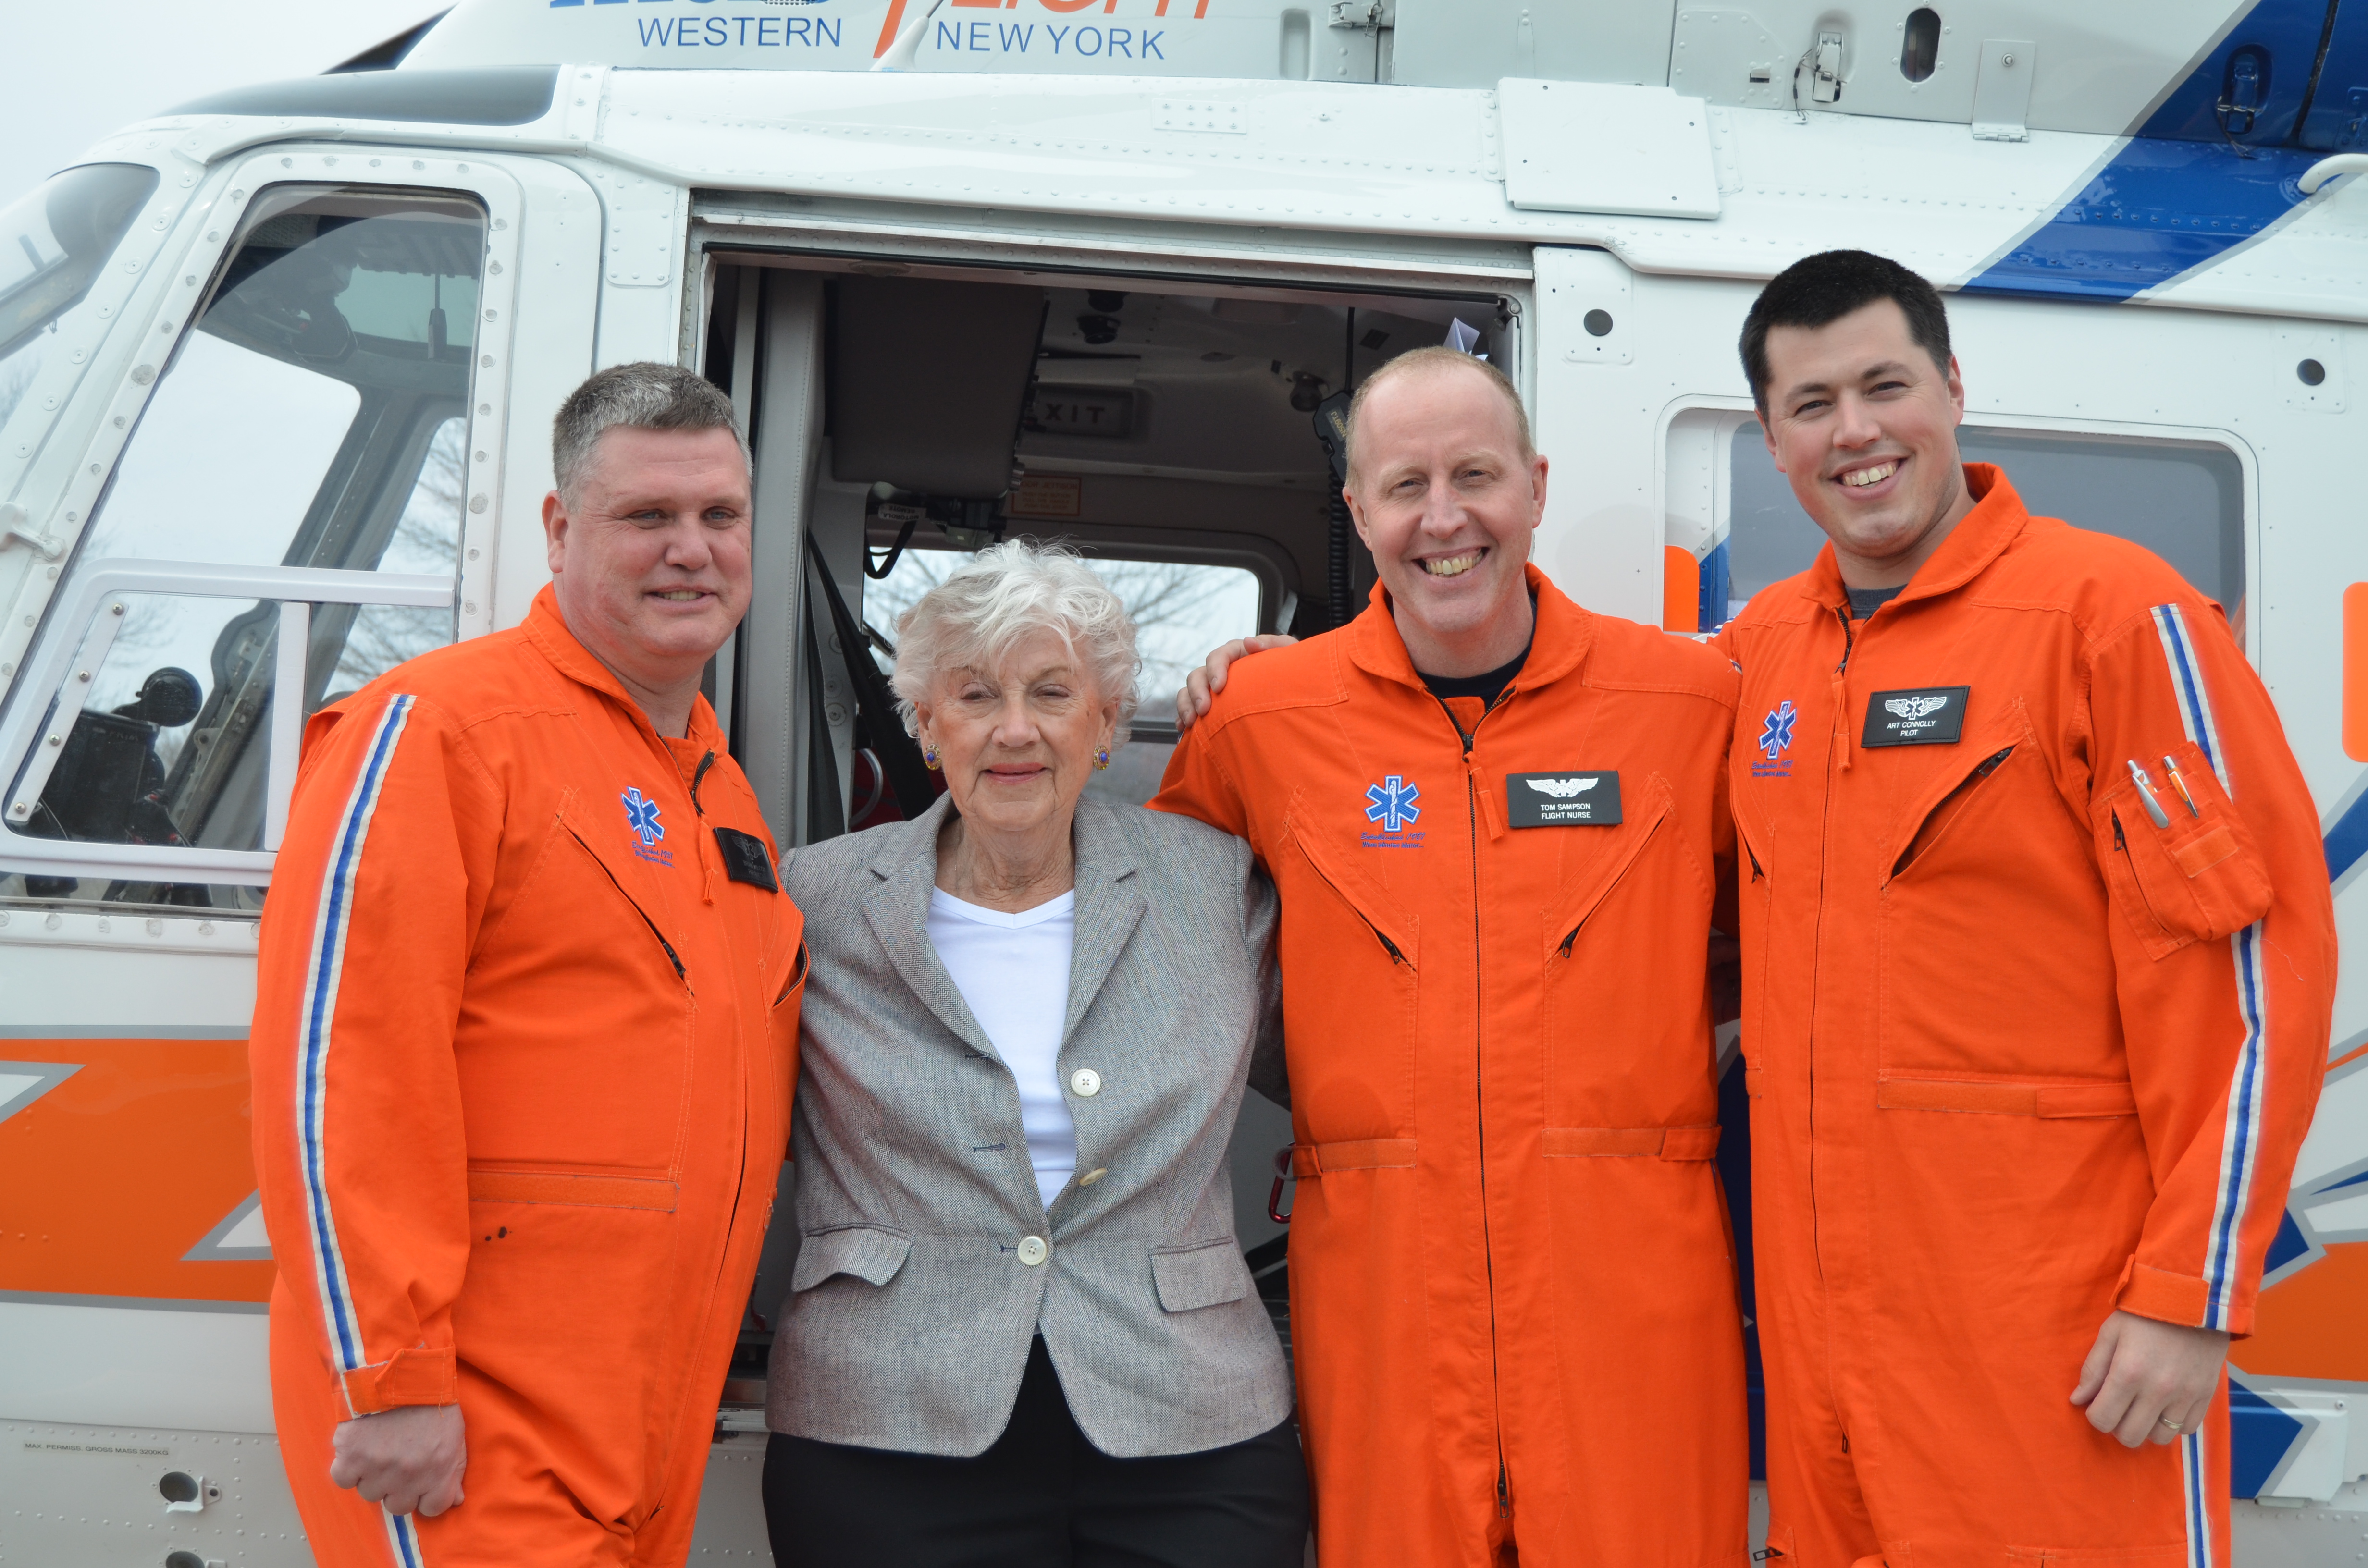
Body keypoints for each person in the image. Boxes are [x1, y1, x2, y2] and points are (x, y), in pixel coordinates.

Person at [1718, 250, 2334, 1565]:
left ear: (1952, 387)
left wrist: (2194, 1291)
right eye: (1814, 404)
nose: (1858, 432)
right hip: (1830, 1348)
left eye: (1887, 385)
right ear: (1772, 440)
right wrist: (1277, 674)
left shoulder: (2115, 618)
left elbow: (2253, 969)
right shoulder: (1764, 651)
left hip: (2059, 1339)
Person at [1156, 347, 1748, 1566]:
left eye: (1475, 475)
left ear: (1532, 487)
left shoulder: (1691, 705)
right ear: (1357, 510)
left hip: (1629, 1287)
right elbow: (1156, 963)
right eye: (1406, 483)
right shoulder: (1260, 724)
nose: (1444, 518)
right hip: (1381, 1290)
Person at [249, 364, 803, 1568]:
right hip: (478, 1418)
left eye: (719, 517)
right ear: (560, 529)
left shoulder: (719, 790)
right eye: (646, 518)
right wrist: (391, 1375)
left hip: (643, 1421)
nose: (691, 551)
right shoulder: (439, 730)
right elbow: (340, 1070)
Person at [760, 540, 1307, 1568]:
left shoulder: (1216, 884)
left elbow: (1351, 1063)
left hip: (1186, 1426)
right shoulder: (813, 898)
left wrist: (1329, 700)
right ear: (927, 724)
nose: (1015, 730)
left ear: (1105, 722)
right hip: (885, 1422)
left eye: (1052, 693)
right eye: (974, 695)